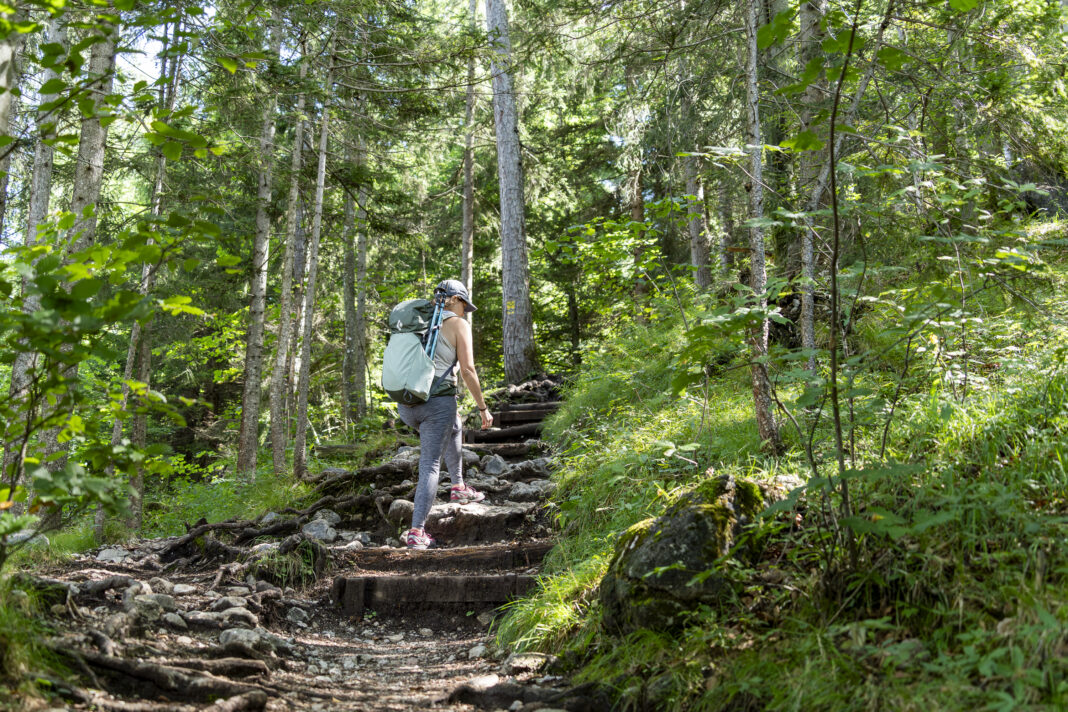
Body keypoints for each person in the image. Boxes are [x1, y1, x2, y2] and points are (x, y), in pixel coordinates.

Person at [397, 279, 493, 549]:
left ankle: (459, 487)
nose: (466, 312)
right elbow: (467, 370)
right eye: (465, 306)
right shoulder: (458, 324)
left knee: (455, 425)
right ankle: (417, 530)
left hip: (405, 403)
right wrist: (483, 408)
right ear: (456, 300)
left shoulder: (417, 319)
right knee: (430, 464)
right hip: (436, 404)